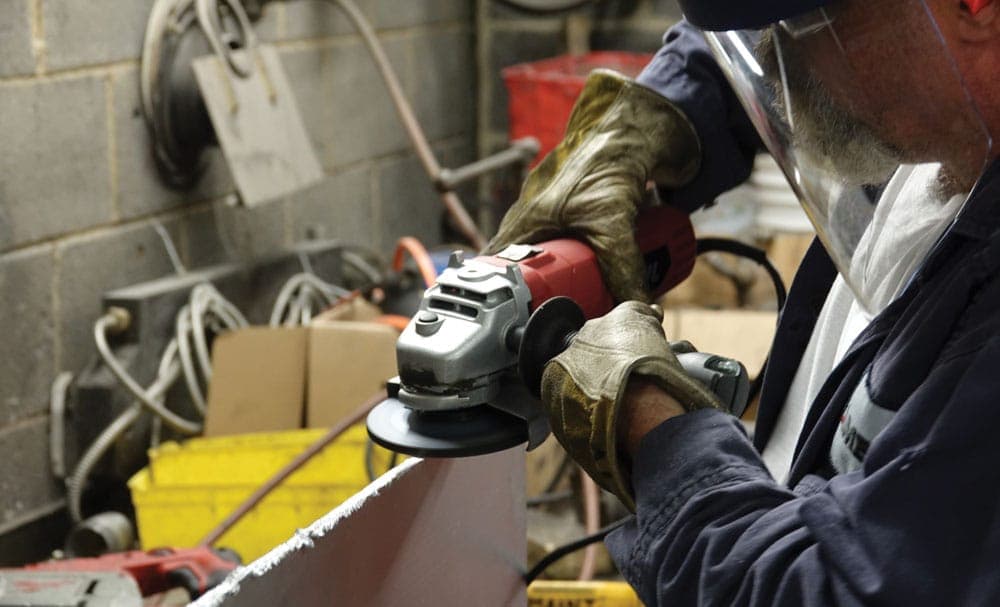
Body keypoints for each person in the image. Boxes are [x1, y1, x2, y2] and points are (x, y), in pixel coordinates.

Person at [486, 0, 1000, 604]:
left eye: (807, 26)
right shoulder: (952, 114)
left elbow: (831, 591)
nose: (776, 60)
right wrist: (664, 111)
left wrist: (659, 435)